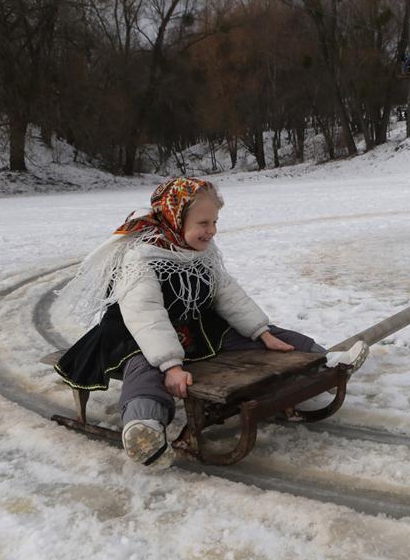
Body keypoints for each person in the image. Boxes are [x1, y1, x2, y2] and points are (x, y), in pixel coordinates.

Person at [54, 177, 368, 467]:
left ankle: (325, 361)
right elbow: (146, 315)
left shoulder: (200, 252)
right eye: (203, 223)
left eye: (215, 221)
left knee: (271, 337)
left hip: (193, 328)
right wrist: (171, 365)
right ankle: (144, 427)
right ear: (176, 219)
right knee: (144, 368)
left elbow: (229, 295)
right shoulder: (141, 259)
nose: (212, 230)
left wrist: (260, 331)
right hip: (136, 334)